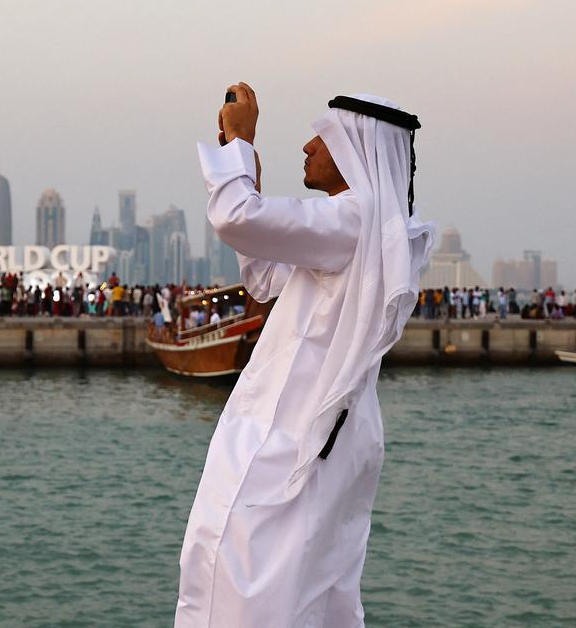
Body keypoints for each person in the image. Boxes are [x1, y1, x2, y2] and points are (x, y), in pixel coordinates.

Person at [176, 83, 433, 627]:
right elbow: (266, 278)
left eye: (322, 136)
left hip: (298, 434)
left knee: (259, 583)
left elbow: (234, 218)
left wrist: (241, 145)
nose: (308, 147)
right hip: (316, 433)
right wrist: (247, 178)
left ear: (353, 151)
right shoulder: (354, 228)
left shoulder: (354, 220)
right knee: (297, 583)